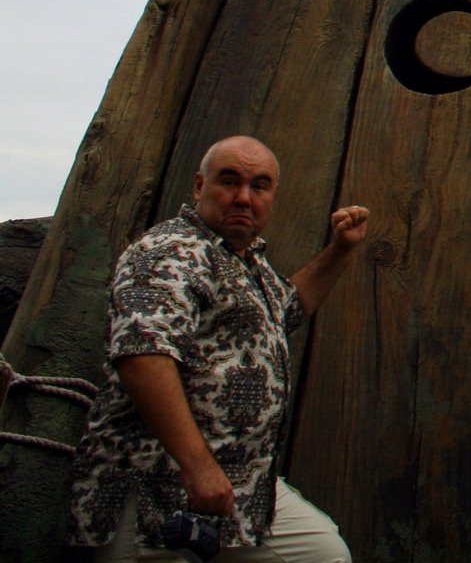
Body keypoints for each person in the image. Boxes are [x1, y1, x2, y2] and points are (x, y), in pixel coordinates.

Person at [66, 136, 369, 562]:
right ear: (199, 186)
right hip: (158, 485)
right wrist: (198, 467)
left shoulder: (242, 259)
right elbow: (142, 356)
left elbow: (288, 309)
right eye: (229, 181)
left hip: (240, 488)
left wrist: (340, 250)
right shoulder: (170, 251)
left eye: (259, 185)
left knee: (322, 553)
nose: (244, 197)